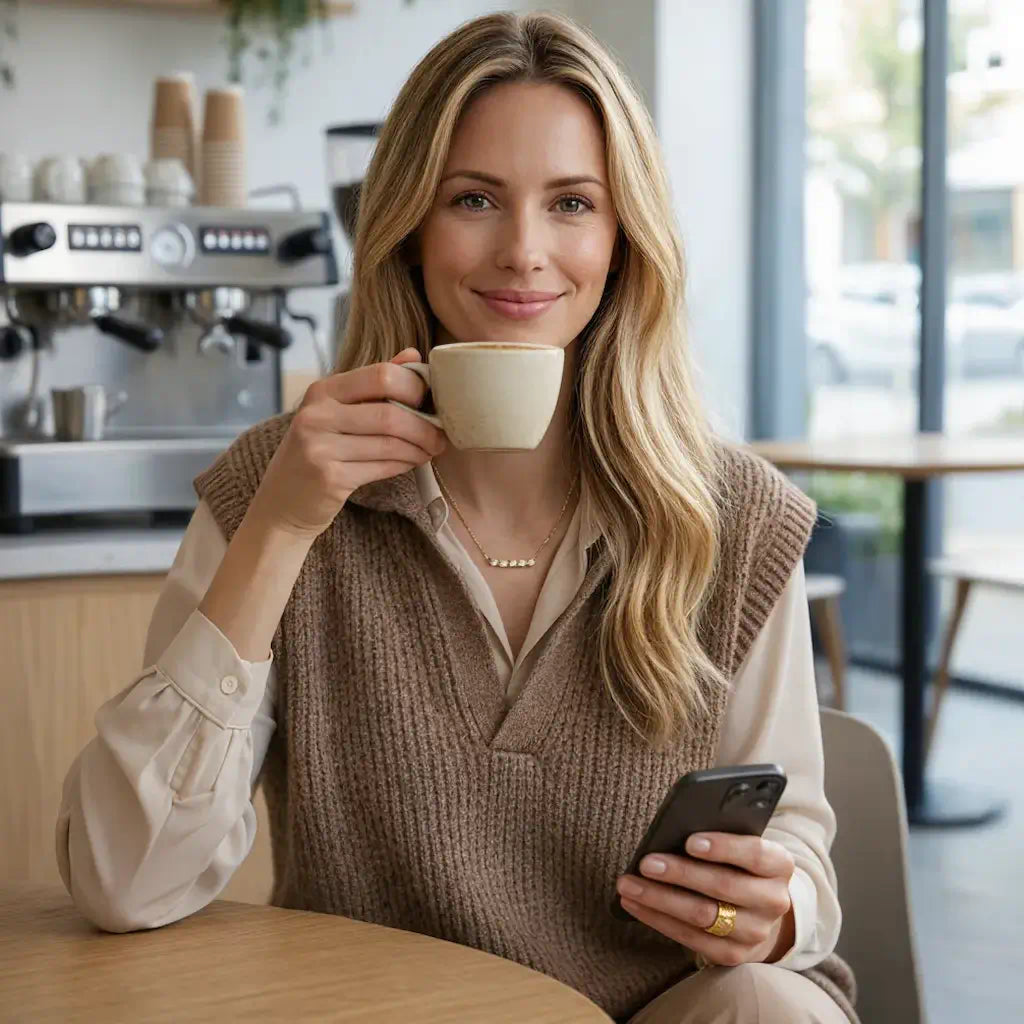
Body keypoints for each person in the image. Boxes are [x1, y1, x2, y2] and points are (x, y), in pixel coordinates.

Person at [57, 12, 858, 1024]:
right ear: (407, 229)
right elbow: (123, 882)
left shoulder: (733, 519)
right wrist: (282, 527)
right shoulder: (282, 485)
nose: (524, 252)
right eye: (472, 199)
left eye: (571, 203)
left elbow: (794, 853)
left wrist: (773, 907)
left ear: (621, 241)